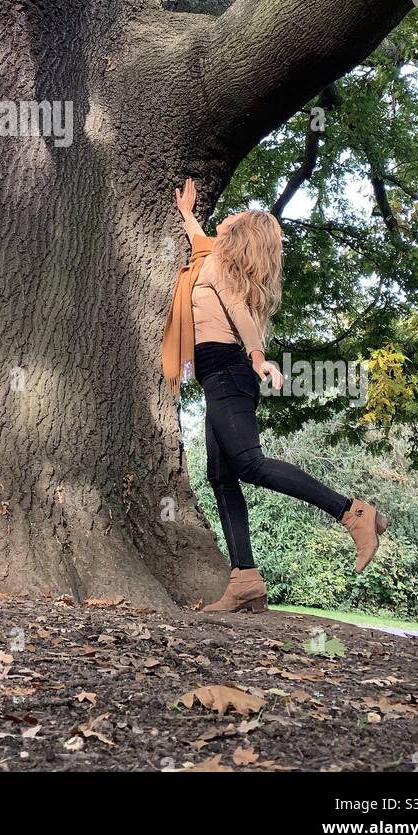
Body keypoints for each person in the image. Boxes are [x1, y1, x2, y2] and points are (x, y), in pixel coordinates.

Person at [162, 179, 387, 614]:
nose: (226, 217)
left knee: (248, 464)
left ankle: (353, 513)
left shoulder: (220, 270)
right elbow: (199, 241)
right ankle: (245, 580)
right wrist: (188, 214)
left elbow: (240, 313)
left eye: (235, 217)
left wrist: (258, 355)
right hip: (218, 377)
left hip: (230, 370)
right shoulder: (211, 259)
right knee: (222, 477)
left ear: (239, 236)